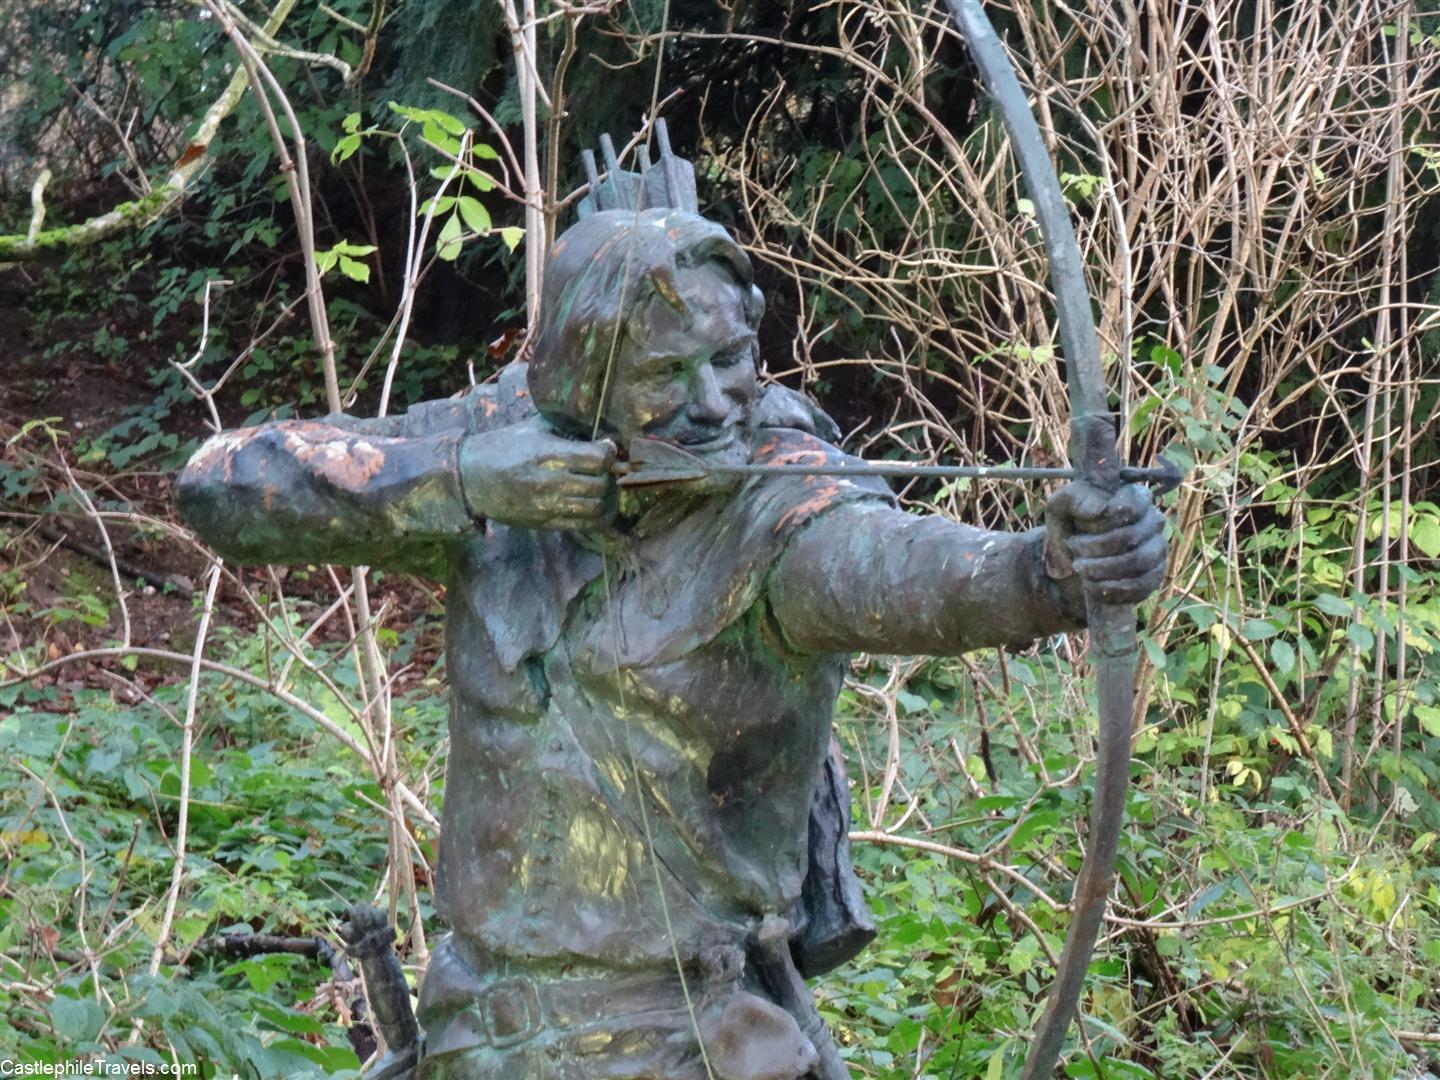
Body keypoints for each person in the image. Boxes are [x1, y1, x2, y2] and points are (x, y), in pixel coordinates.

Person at [177, 192, 1166, 1079]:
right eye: (664, 372)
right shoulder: (507, 438)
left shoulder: (778, 507)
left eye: (730, 358)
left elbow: (896, 568)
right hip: (484, 1023)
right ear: (584, 378)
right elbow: (221, 485)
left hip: (693, 1033)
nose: (710, 401)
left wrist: (1045, 571)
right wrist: (463, 483)